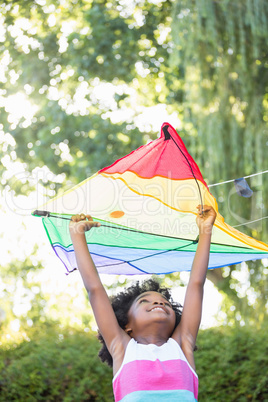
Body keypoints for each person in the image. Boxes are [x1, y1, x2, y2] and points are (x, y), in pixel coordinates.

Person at [69, 205, 216, 401]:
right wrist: (77, 235)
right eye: (144, 301)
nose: (159, 302)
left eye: (165, 302)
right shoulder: (122, 348)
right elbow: (94, 290)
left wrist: (206, 229)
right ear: (126, 325)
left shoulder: (182, 345)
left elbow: (197, 284)